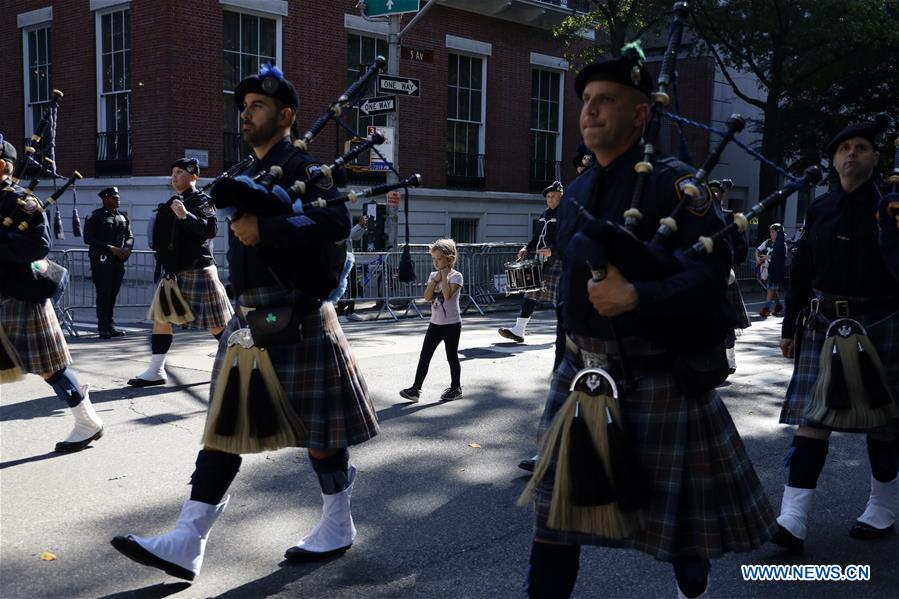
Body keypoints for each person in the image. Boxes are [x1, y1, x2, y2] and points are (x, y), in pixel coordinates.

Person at [111, 66, 378, 581]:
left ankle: (337, 521)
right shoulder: (245, 173)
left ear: (287, 116)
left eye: (258, 105)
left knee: (320, 435)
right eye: (244, 105)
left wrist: (270, 227)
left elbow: (335, 222)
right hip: (248, 316)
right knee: (224, 428)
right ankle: (187, 539)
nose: (246, 112)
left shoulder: (308, 168)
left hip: (298, 312)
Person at [522, 55, 775, 599]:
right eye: (585, 101)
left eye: (605, 100)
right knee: (553, 517)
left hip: (657, 375)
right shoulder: (576, 193)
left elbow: (713, 283)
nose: (589, 111)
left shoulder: (680, 187)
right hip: (580, 375)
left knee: (680, 529)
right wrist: (562, 362)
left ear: (640, 115)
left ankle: (691, 579)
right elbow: (570, 297)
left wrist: (638, 296)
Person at [774, 119, 899, 555]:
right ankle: (792, 519)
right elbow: (802, 272)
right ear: (833, 159)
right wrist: (789, 327)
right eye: (844, 148)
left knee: (883, 424)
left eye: (861, 147)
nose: (851, 154)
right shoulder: (820, 207)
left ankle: (881, 509)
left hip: (881, 321)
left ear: (874, 157)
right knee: (813, 420)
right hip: (823, 323)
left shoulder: (891, 205)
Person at [0, 137, 103, 453]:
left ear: (2, 165)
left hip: (20, 297)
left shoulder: (23, 202)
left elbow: (39, 247)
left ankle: (87, 421)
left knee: (51, 367)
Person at [126, 157, 234, 387]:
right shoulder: (175, 200)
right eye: (172, 172)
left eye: (180, 173)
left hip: (198, 271)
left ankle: (240, 363)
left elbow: (210, 230)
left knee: (217, 324)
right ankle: (156, 370)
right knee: (162, 320)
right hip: (174, 272)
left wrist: (186, 215)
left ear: (193, 177)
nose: (174, 176)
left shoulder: (204, 202)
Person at [400, 239, 464, 402]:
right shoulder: (432, 276)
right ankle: (415, 389)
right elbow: (428, 297)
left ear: (449, 259)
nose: (435, 262)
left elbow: (448, 296)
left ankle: (456, 387)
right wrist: (435, 280)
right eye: (433, 259)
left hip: (452, 324)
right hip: (435, 324)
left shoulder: (456, 276)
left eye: (439, 259)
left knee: (451, 356)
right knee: (425, 355)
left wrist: (443, 276)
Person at [498, 181, 562, 344]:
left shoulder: (566, 215)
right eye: (548, 196)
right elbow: (535, 238)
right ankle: (518, 330)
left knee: (559, 297)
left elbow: (567, 238)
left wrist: (552, 251)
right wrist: (526, 248)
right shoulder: (544, 214)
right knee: (531, 292)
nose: (550, 199)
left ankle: (566, 332)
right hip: (538, 259)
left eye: (553, 196)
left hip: (557, 260)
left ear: (561, 196)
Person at [709, 179, 751, 373]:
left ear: (722, 195)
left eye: (717, 192)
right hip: (701, 278)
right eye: (710, 192)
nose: (714, 196)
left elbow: (741, 248)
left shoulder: (729, 217)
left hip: (725, 277)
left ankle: (730, 360)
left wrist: (727, 259)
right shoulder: (696, 217)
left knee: (726, 320)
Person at [83, 186, 133, 338]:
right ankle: (102, 326)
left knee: (113, 294)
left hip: (118, 260)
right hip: (101, 260)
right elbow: (88, 239)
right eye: (114, 197)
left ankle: (110, 324)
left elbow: (130, 236)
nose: (117, 200)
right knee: (103, 293)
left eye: (118, 197)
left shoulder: (122, 217)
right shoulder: (95, 216)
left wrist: (127, 249)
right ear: (105, 199)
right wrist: (111, 248)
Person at [336, 214, 366, 321]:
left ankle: (350, 311)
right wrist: (359, 225)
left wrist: (362, 227)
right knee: (341, 287)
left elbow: (355, 236)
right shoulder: (336, 228)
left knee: (354, 287)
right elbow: (346, 235)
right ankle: (339, 313)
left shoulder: (346, 228)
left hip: (349, 260)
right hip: (339, 261)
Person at [755, 223, 785, 317]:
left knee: (770, 289)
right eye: (770, 232)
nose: (771, 234)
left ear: (778, 233)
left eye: (773, 232)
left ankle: (766, 309)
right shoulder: (767, 242)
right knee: (772, 289)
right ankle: (778, 306)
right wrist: (758, 259)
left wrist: (766, 257)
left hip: (775, 270)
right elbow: (757, 250)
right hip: (766, 269)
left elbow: (781, 257)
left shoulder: (782, 244)